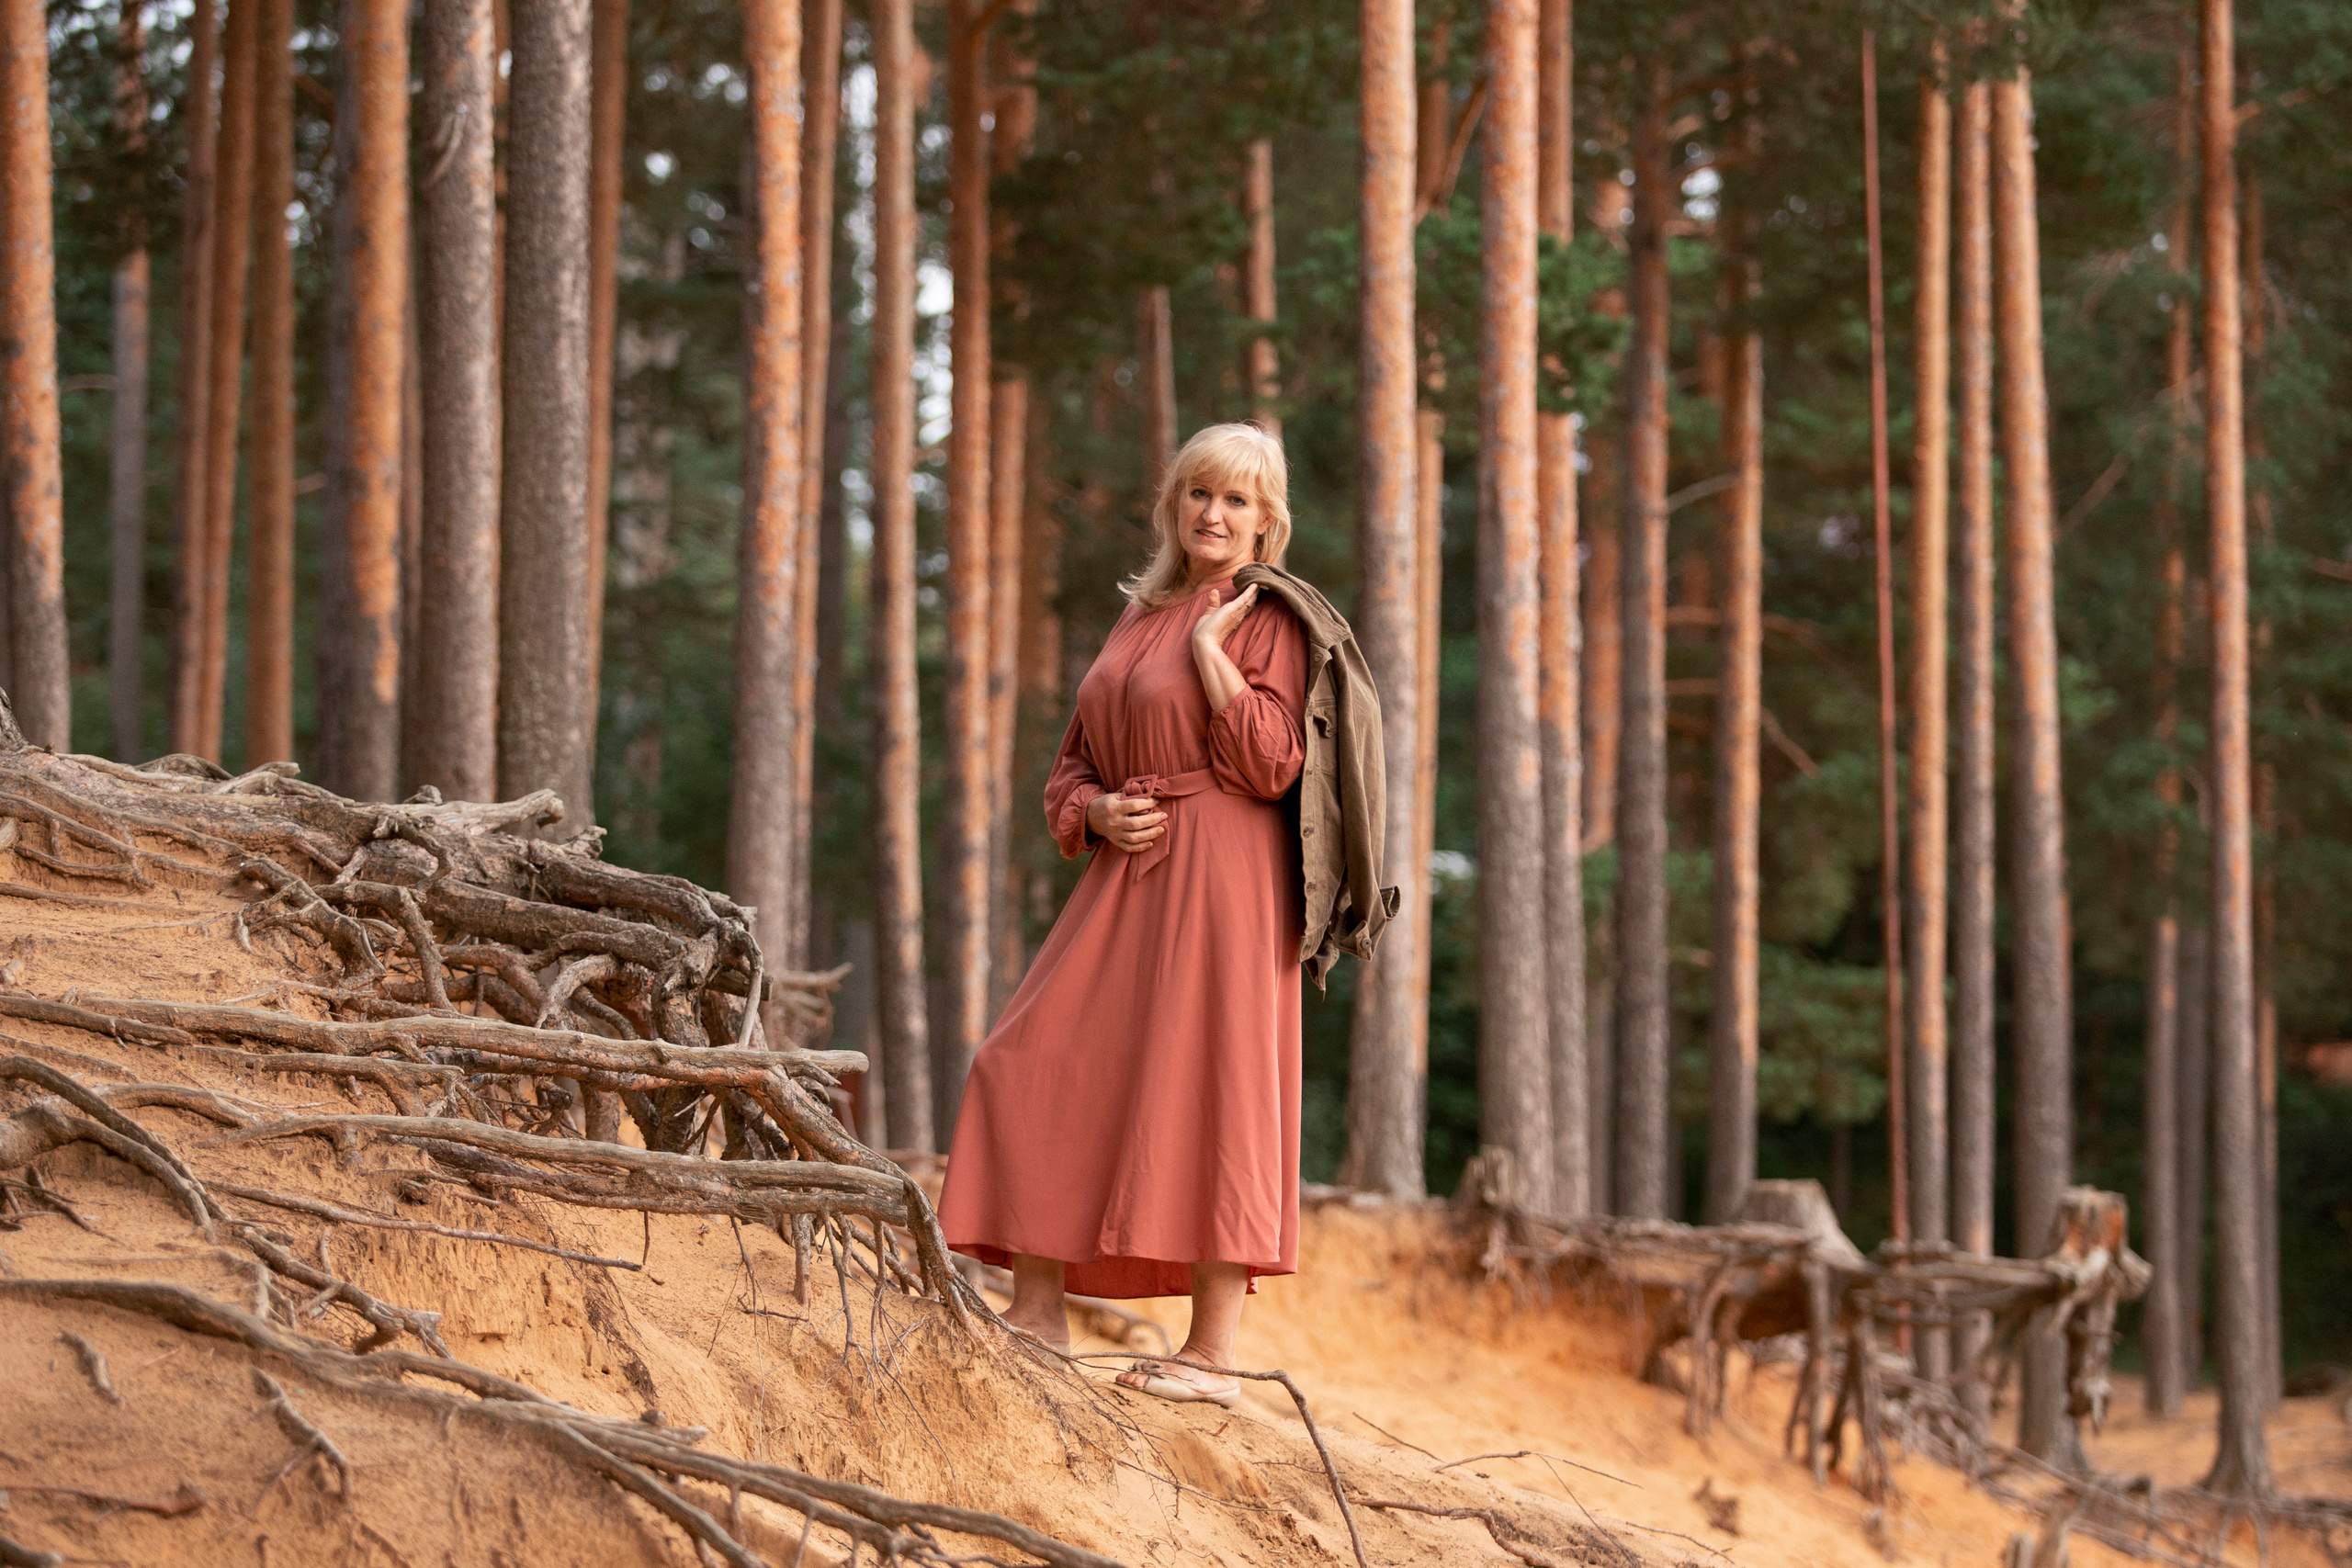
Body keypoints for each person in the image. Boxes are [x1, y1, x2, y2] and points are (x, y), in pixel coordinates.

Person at [937, 422, 1318, 1409]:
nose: (1214, 514)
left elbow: (1273, 762)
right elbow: (1073, 762)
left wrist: (1210, 650)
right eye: (1199, 492)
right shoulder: (1138, 613)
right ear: (1174, 502)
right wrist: (1095, 810)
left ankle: (1213, 1356)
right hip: (1131, 865)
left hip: (1228, 872)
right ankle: (1037, 1313)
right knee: (1026, 1057)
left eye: (1236, 500)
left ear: (1266, 519)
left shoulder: (1269, 614)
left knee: (1215, 1087)